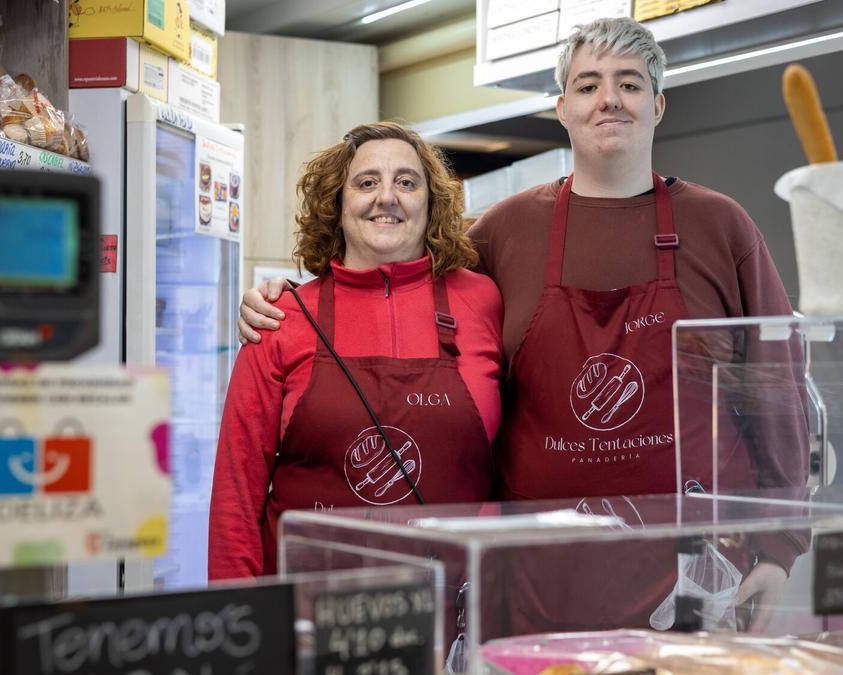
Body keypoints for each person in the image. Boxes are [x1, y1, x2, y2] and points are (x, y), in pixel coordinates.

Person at [237, 18, 808, 629]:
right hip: (538, 570)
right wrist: (288, 293)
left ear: (659, 104)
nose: (609, 99)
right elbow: (392, 278)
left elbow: (778, 388)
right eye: (588, 85)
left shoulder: (722, 228)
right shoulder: (506, 230)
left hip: (697, 567)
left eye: (630, 84)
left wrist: (779, 547)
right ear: (561, 107)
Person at [208, 122, 504, 580]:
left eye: (407, 182)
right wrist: (241, 624)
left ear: (431, 204)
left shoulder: (483, 301)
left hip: (454, 604)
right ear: (338, 204)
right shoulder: (281, 318)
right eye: (367, 183)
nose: (386, 197)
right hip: (309, 609)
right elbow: (236, 493)